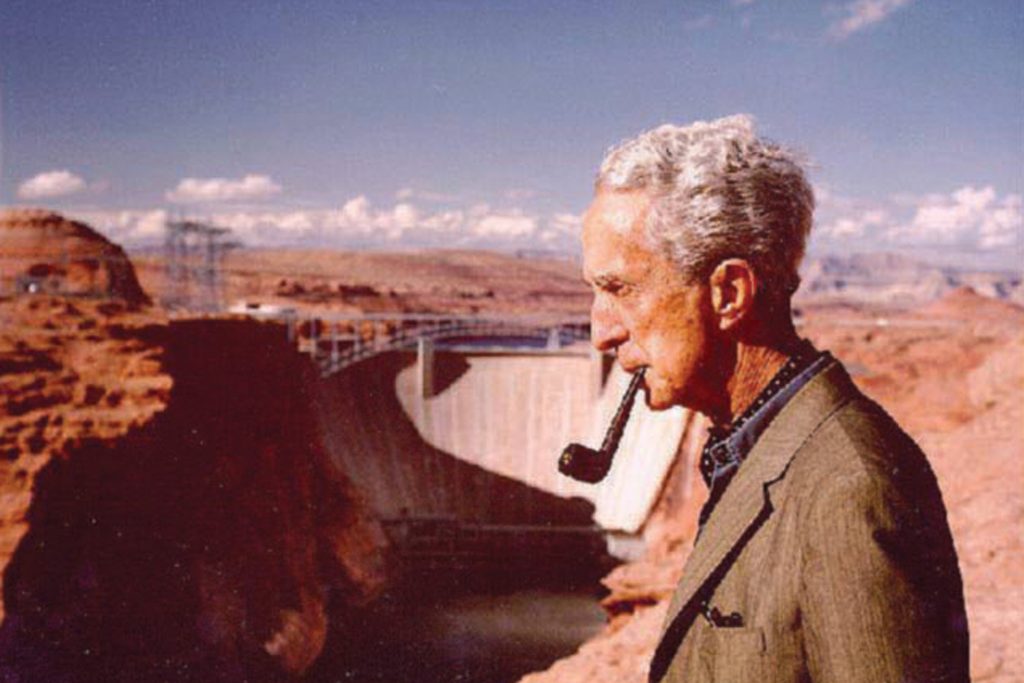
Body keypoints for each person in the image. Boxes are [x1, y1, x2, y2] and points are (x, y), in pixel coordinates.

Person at [580, 115, 969, 683]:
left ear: (729, 293)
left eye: (621, 290)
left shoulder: (850, 489)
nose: (601, 332)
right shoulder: (753, 451)